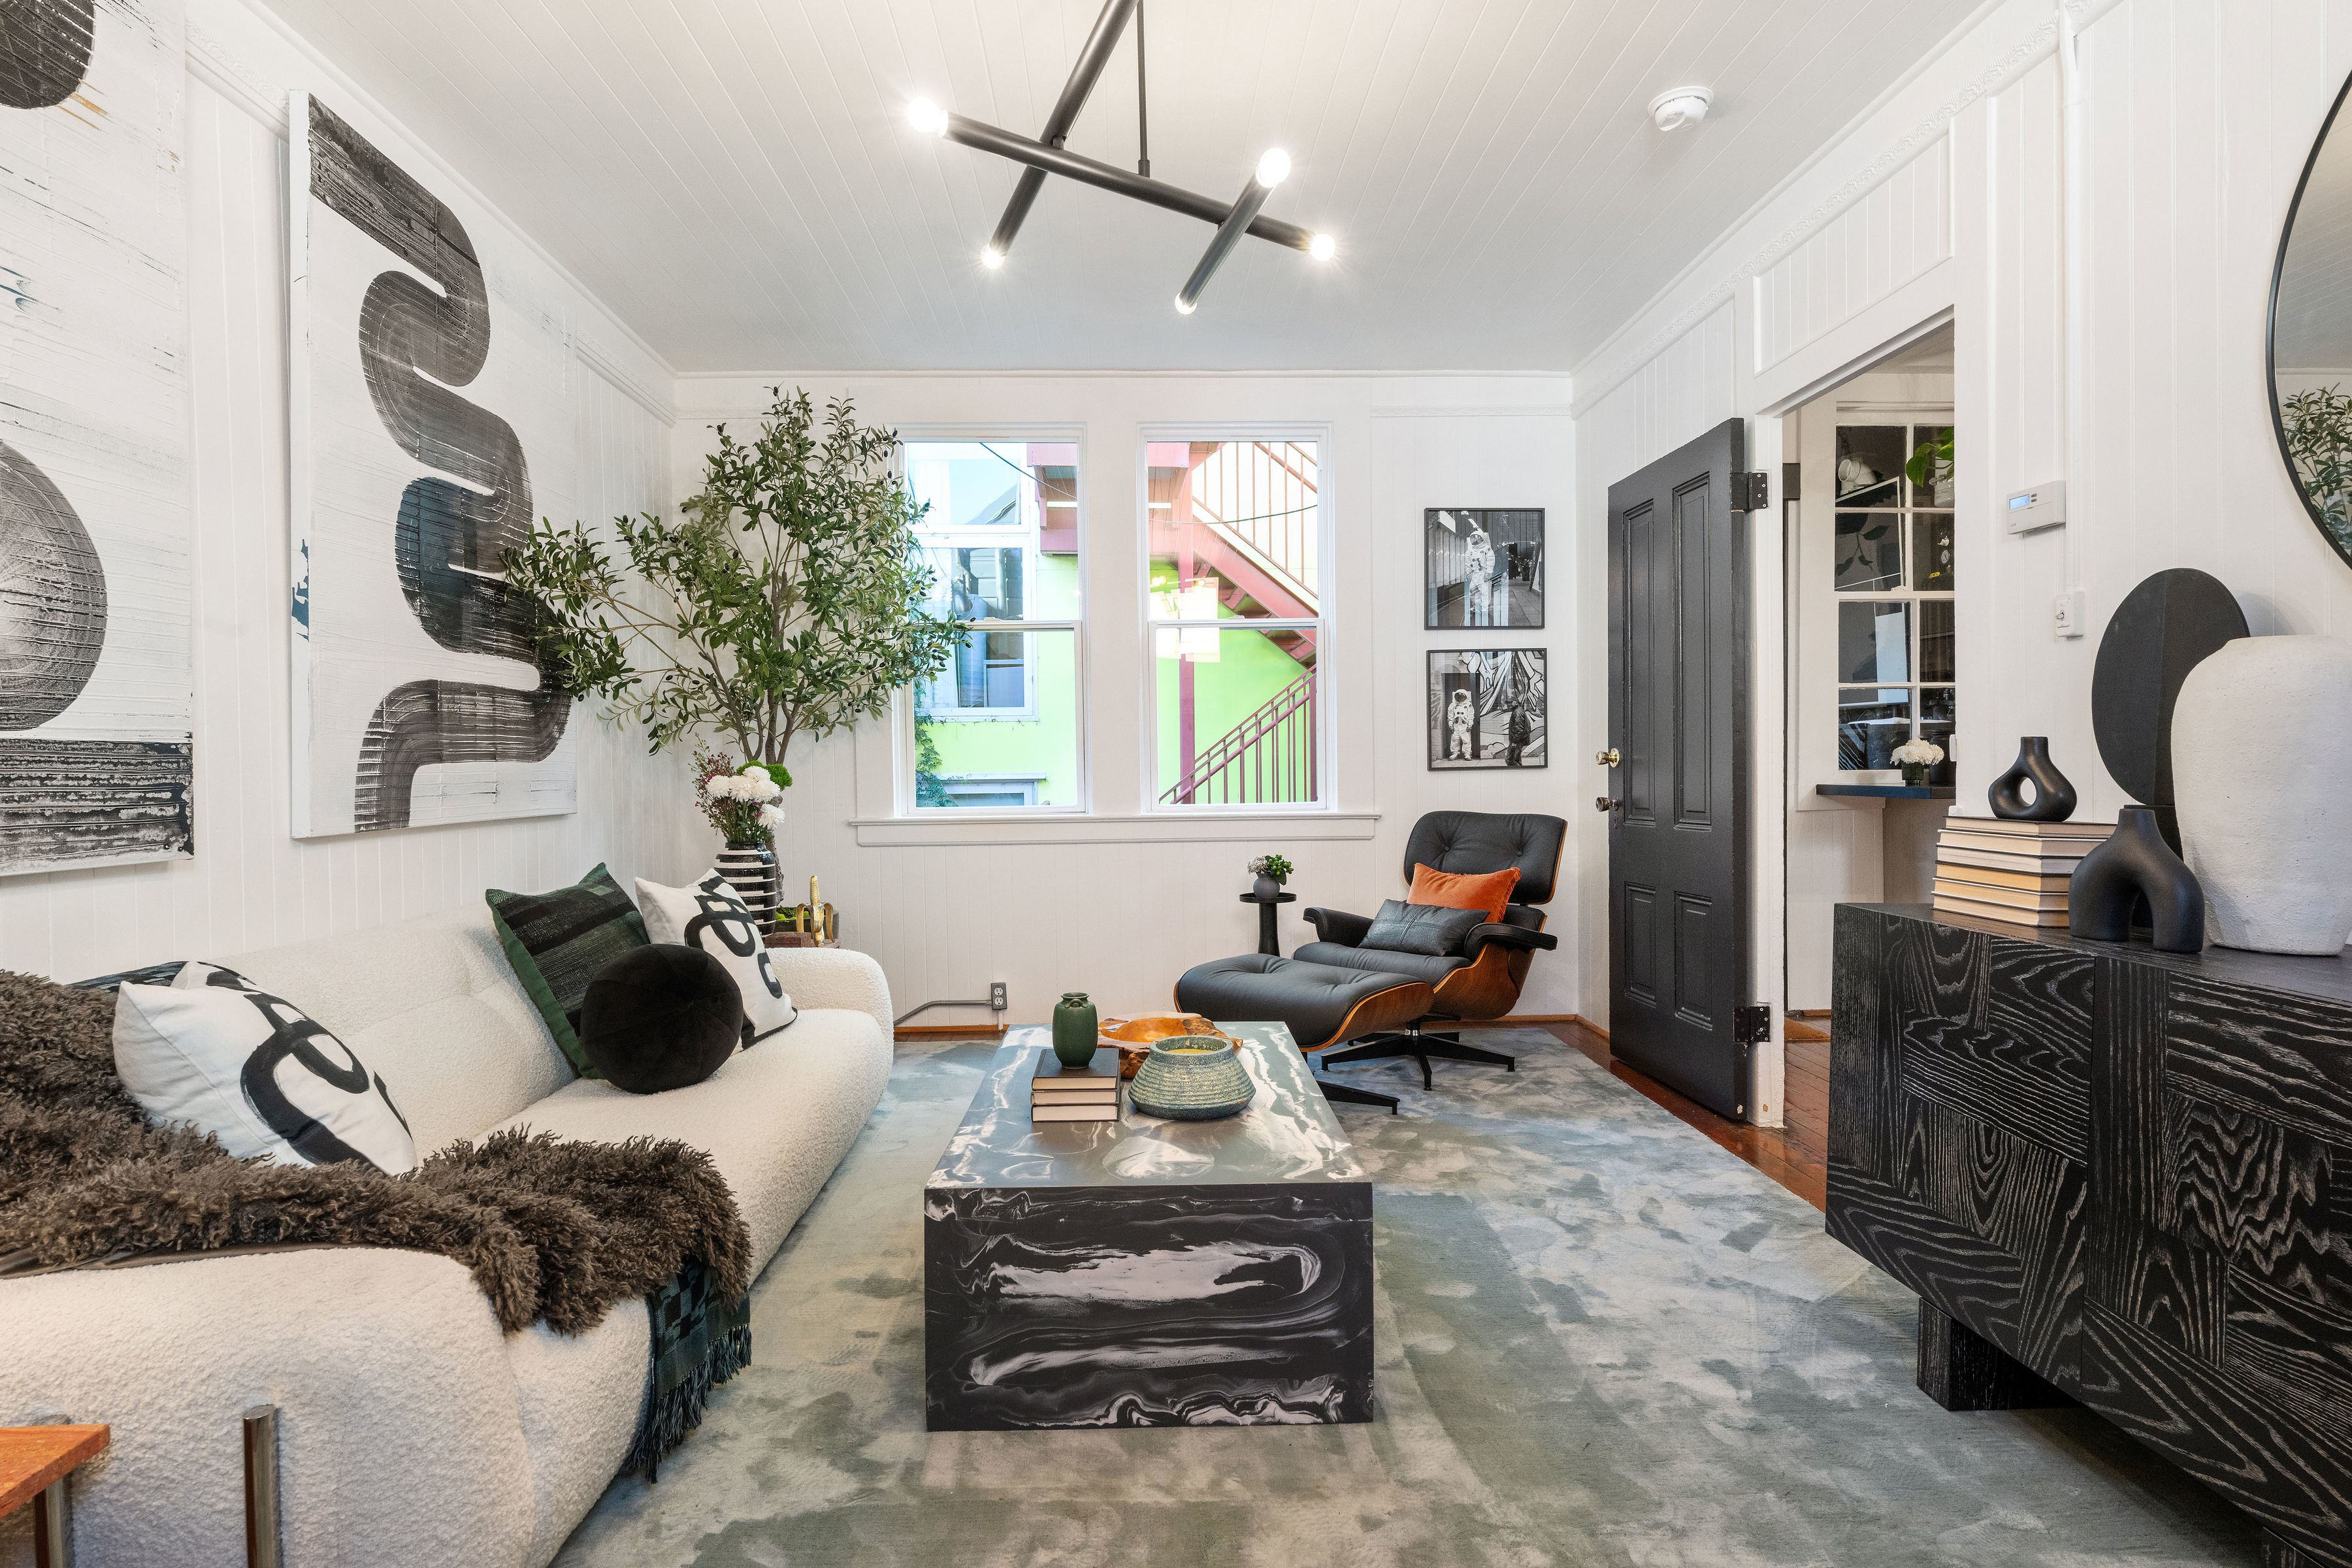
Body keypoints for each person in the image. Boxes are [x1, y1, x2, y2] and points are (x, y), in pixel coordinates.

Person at [1462, 520, 1495, 626]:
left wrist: (1489, 573)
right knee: (1473, 591)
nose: (1476, 541)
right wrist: (1468, 573)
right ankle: (1476, 606)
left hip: (1483, 575)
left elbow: (1491, 560)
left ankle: (1485, 608)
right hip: (1474, 575)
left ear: (1482, 539)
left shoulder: (1486, 549)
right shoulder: (1470, 550)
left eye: (1478, 539)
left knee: (1484, 592)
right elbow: (1467, 562)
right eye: (1474, 539)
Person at [1446, 687, 1476, 760]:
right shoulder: (1453, 705)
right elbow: (1450, 716)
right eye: (1458, 697)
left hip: (1464, 725)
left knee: (1466, 740)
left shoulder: (1468, 705)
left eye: (1462, 697)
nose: (1460, 698)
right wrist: (1451, 725)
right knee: (1455, 740)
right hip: (1456, 725)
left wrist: (1470, 725)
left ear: (1465, 697)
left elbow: (1471, 715)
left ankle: (1467, 754)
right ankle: (1455, 753)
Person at [1505, 700, 1531, 767]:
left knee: (1510, 759)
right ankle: (1519, 771)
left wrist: (1515, 742)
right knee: (1516, 759)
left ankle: (1517, 771)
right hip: (1518, 740)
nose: (1509, 704)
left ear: (1516, 702)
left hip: (1517, 741)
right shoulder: (1518, 710)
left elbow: (1519, 729)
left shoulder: (1517, 712)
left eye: (1511, 702)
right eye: (1508, 703)